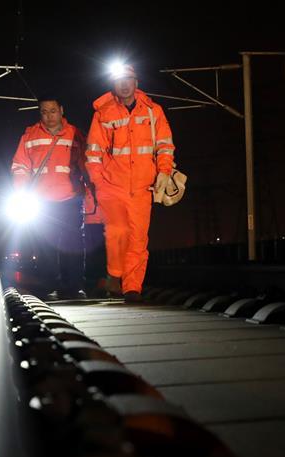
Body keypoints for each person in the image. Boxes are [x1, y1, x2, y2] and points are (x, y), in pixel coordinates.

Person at [85, 64, 175, 302]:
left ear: (136, 82)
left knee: (138, 239)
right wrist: (99, 183)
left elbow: (165, 145)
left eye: (128, 79)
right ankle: (115, 276)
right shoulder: (103, 114)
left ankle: (132, 288)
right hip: (112, 186)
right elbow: (93, 153)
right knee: (116, 234)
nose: (124, 84)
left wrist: (164, 172)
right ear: (113, 84)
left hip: (143, 187)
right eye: (119, 80)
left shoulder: (153, 112)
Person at [11, 95, 91, 299]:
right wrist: (22, 192)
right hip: (42, 201)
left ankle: (73, 287)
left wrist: (93, 189)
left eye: (52, 111)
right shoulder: (29, 136)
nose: (48, 116)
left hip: (70, 198)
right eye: (44, 112)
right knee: (45, 246)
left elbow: (86, 164)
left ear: (61, 110)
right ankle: (49, 286)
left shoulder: (75, 134)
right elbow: (20, 167)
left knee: (72, 246)